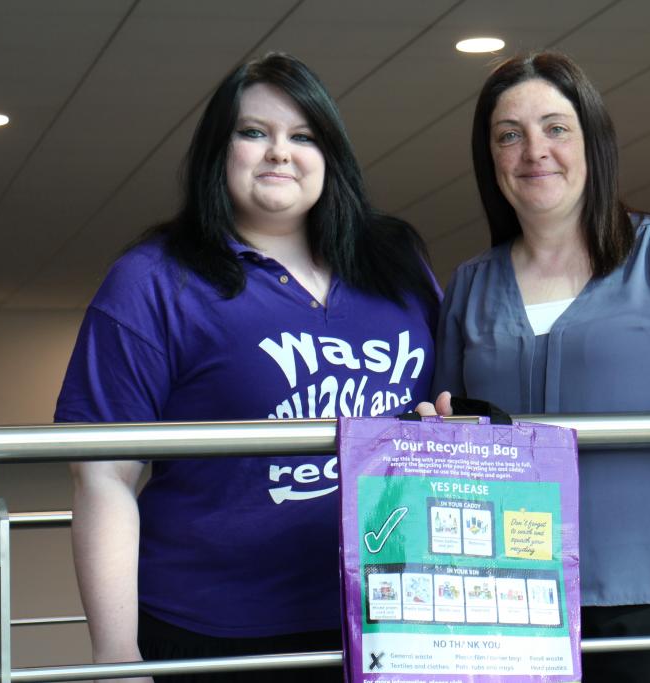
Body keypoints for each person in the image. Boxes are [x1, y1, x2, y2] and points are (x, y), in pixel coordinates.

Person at [55, 53, 440, 683]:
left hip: (387, 618)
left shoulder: (396, 263)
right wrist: (116, 655)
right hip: (213, 631)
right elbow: (102, 477)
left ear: (331, 155)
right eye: (254, 132)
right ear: (218, 150)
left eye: (304, 136)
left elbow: (438, 406)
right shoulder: (154, 280)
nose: (279, 153)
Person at [423, 52, 650, 682]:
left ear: (593, 143)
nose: (535, 150)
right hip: (509, 603)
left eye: (556, 128)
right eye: (510, 135)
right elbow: (447, 439)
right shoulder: (469, 287)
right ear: (492, 161)